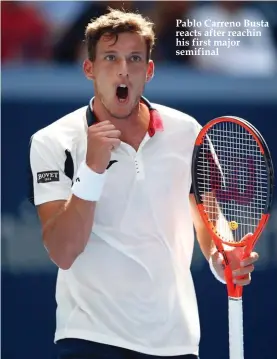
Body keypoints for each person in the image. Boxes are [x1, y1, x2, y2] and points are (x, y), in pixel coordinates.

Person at [28, 8, 259, 359]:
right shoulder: (52, 141)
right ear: (89, 68)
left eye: (135, 59)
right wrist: (92, 169)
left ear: (148, 70)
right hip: (90, 338)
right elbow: (63, 251)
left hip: (176, 342)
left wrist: (222, 256)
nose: (123, 69)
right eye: (110, 58)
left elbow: (209, 221)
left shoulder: (188, 132)